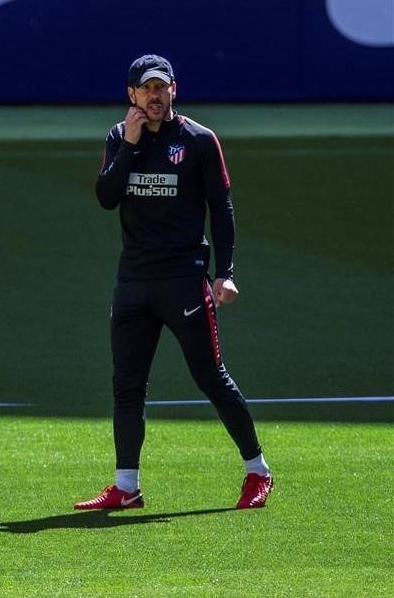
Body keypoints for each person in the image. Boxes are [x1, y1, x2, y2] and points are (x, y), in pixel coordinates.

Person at [77, 54, 273, 511]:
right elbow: (107, 198)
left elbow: (221, 210)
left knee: (210, 377)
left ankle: (258, 471)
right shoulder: (118, 137)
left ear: (173, 90)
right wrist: (128, 143)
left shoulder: (199, 140)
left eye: (161, 87)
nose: (155, 96)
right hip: (133, 281)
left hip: (184, 280)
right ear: (132, 96)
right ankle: (126, 486)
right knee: (127, 385)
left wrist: (224, 274)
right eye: (146, 89)